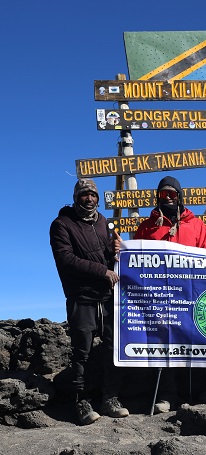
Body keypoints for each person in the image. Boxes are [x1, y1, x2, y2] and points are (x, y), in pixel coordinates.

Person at [132, 175, 206, 413]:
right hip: (160, 296)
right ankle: (167, 396)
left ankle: (199, 392)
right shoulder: (147, 227)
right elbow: (136, 257)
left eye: (172, 194)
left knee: (196, 340)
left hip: (190, 294)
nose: (168, 198)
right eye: (163, 194)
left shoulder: (196, 224)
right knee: (164, 345)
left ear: (180, 196)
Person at [50, 179, 129, 425]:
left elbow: (108, 254)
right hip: (81, 297)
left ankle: (110, 398)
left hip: (106, 297)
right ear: (76, 197)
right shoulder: (61, 224)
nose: (89, 199)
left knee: (111, 349)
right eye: (84, 194)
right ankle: (81, 403)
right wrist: (101, 271)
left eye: (93, 194)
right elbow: (65, 259)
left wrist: (117, 249)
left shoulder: (103, 222)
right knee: (81, 352)